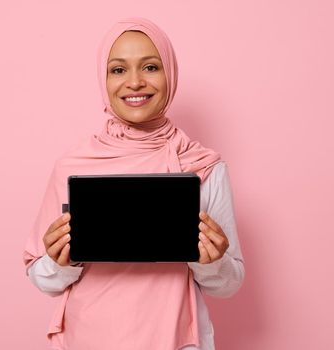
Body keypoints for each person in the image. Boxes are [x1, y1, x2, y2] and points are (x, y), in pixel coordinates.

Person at [23, 17, 245, 350]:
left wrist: (212, 261)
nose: (136, 82)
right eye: (118, 70)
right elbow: (43, 278)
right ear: (103, 78)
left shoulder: (203, 165)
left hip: (175, 341)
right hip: (87, 339)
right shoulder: (72, 166)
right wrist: (59, 261)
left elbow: (229, 284)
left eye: (151, 67)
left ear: (170, 73)